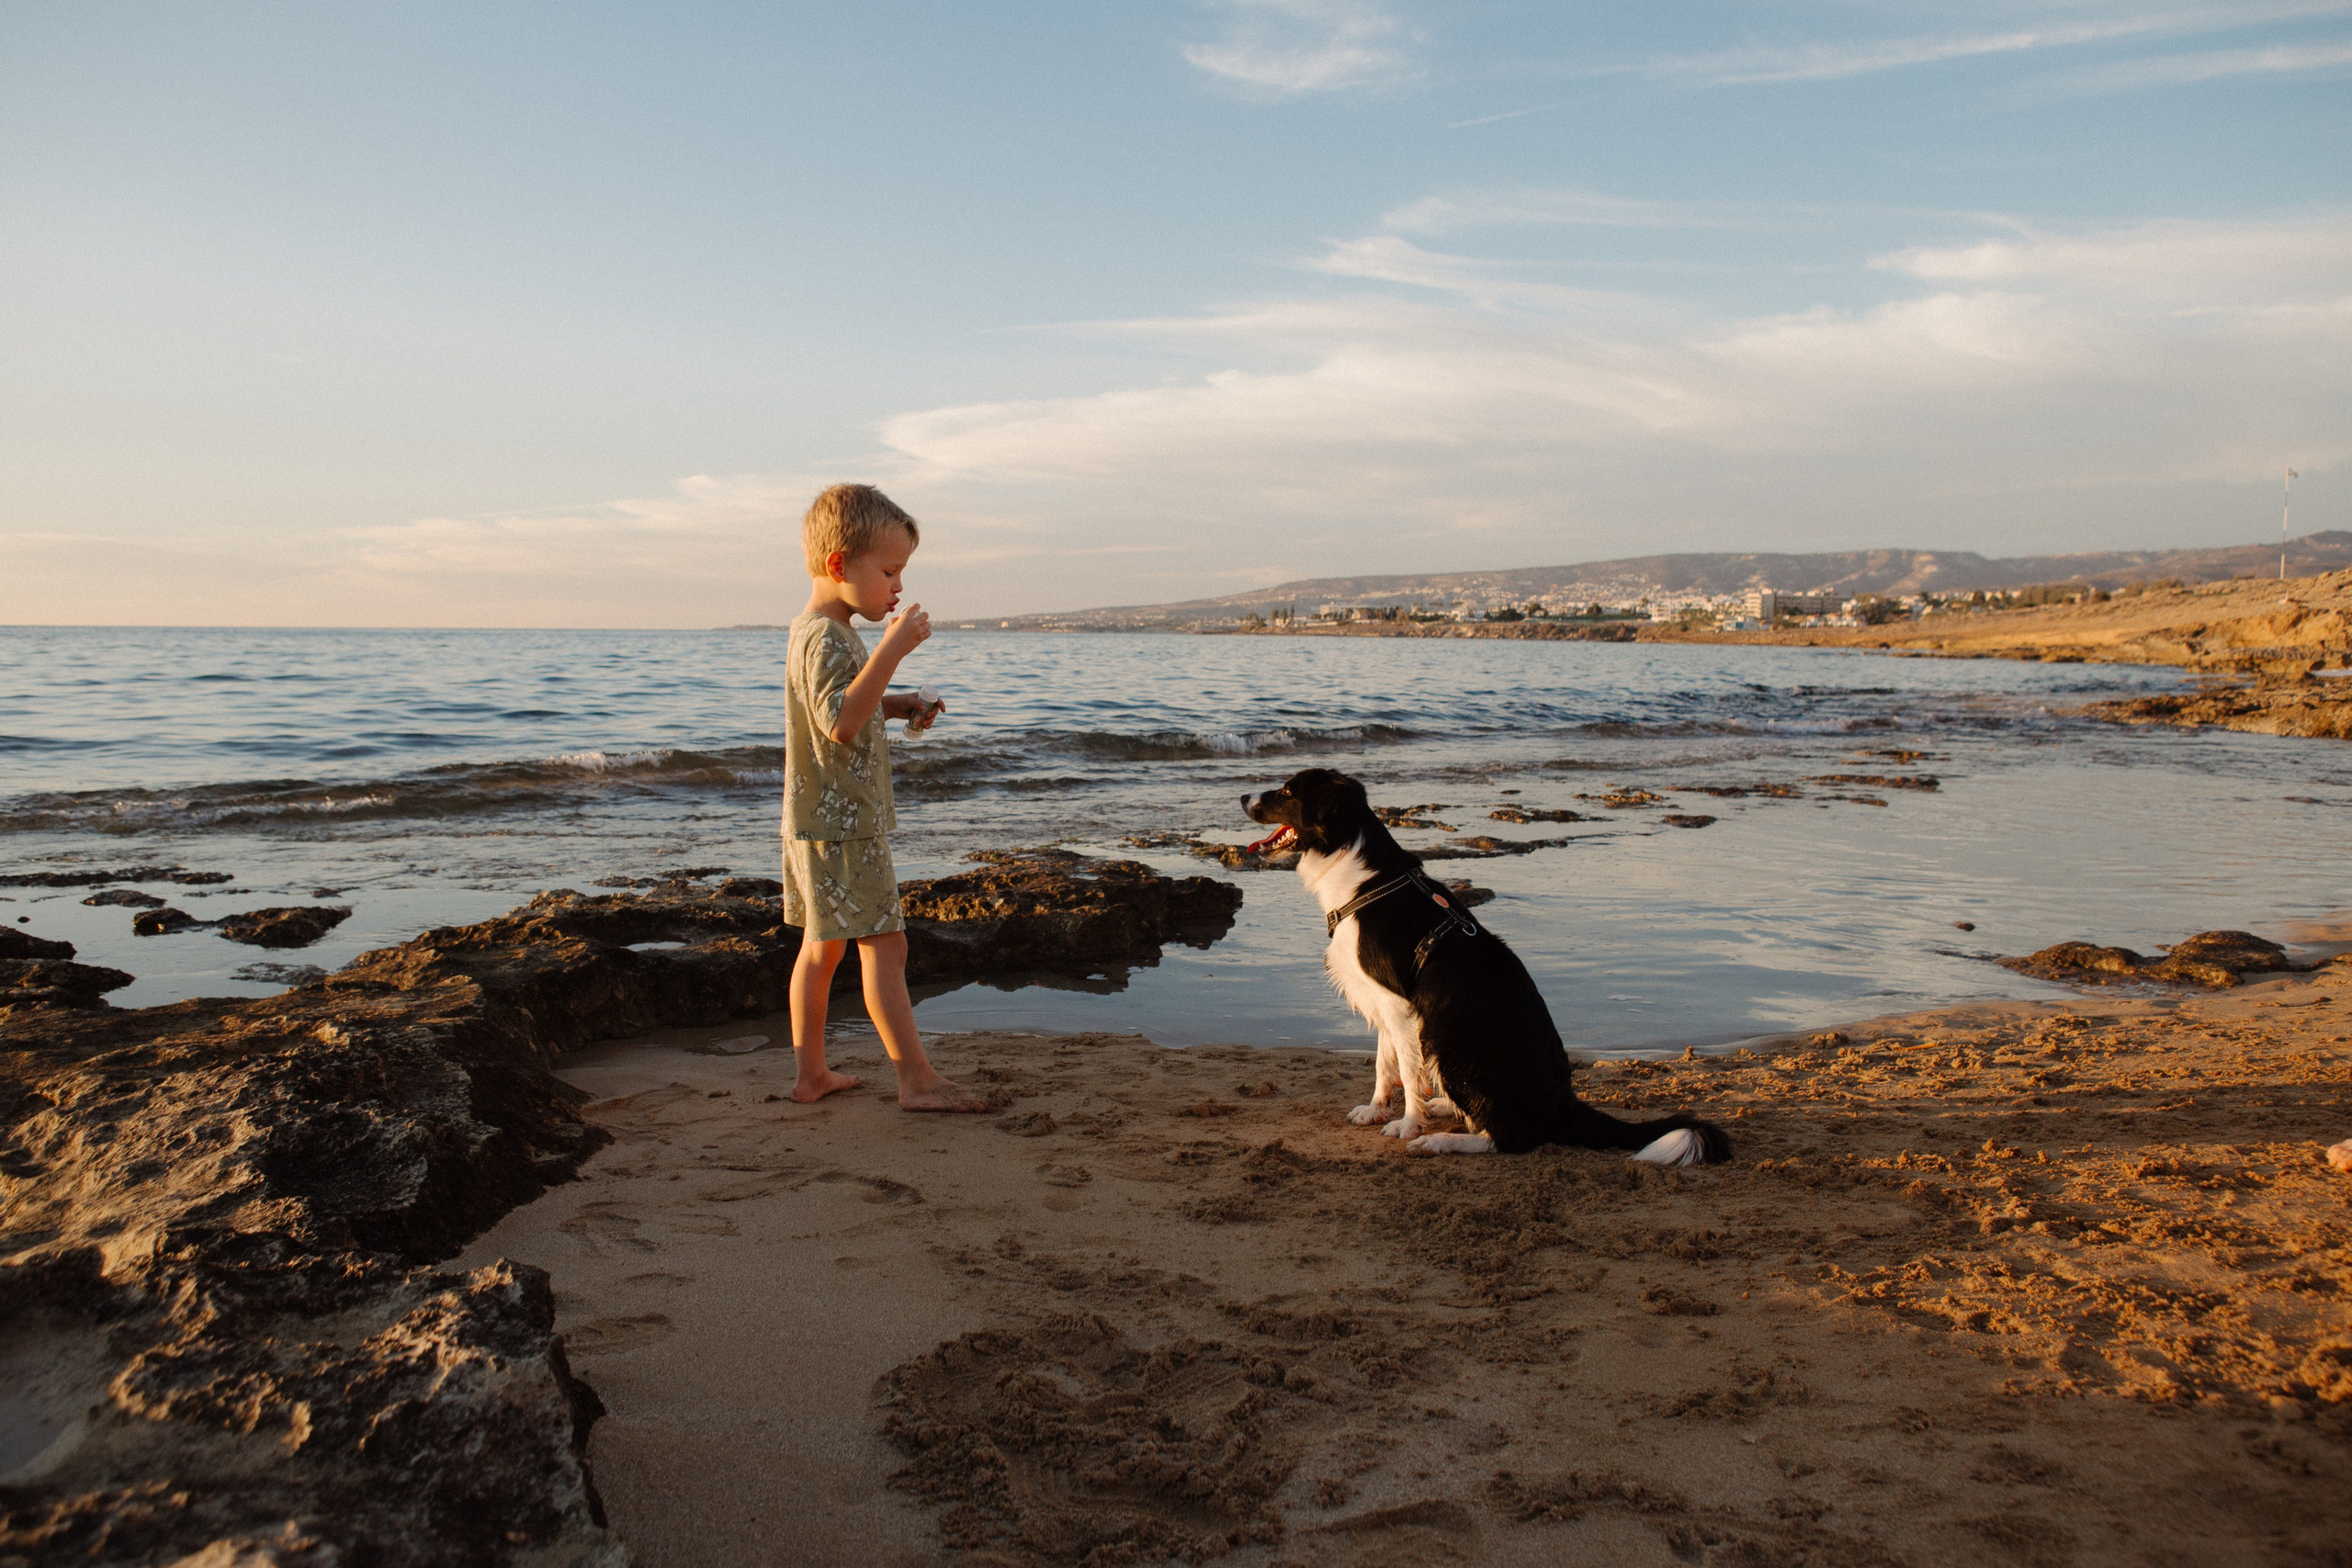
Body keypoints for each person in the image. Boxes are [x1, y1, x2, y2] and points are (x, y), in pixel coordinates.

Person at [782, 483, 986, 1111]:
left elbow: (848, 711)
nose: (897, 586)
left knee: (823, 947)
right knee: (886, 945)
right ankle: (916, 1079)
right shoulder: (827, 637)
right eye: (889, 570)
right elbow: (839, 722)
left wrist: (897, 706)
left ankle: (811, 1075)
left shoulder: (824, 630)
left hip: (821, 820)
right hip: (843, 825)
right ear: (840, 564)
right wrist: (894, 650)